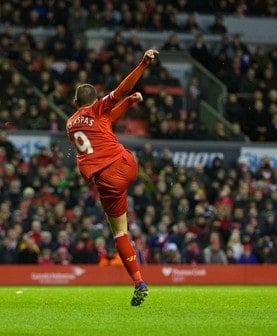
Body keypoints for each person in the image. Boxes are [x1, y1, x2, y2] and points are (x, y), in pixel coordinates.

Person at [65, 49, 159, 306]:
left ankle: (139, 281)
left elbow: (103, 120)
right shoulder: (98, 110)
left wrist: (127, 103)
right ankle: (138, 282)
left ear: (75, 103)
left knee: (119, 233)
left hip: (107, 181)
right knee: (121, 153)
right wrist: (143, 64)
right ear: (95, 99)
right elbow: (121, 90)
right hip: (127, 164)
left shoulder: (70, 125)